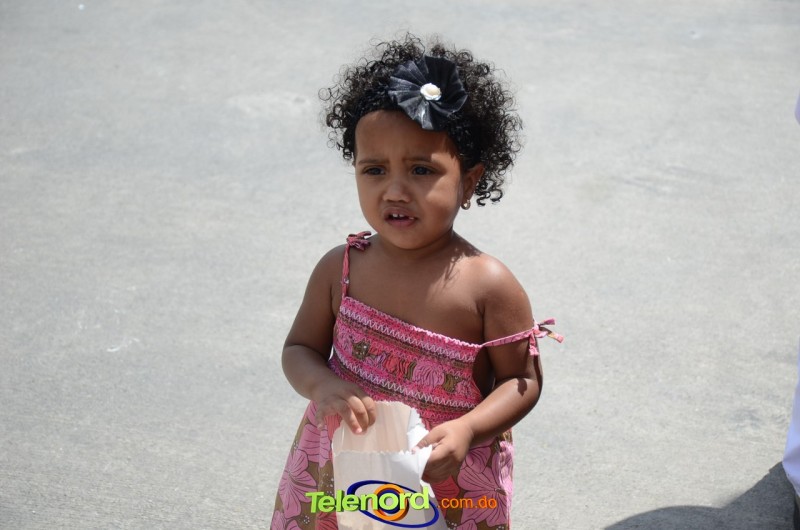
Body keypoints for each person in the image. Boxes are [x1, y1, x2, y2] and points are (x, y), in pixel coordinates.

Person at [272, 33, 562, 530]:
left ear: (469, 181)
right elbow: (299, 349)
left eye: (422, 169)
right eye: (374, 169)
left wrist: (469, 430)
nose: (395, 190)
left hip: (446, 478)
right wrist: (322, 385)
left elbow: (522, 381)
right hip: (341, 469)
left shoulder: (489, 286)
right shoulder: (341, 268)